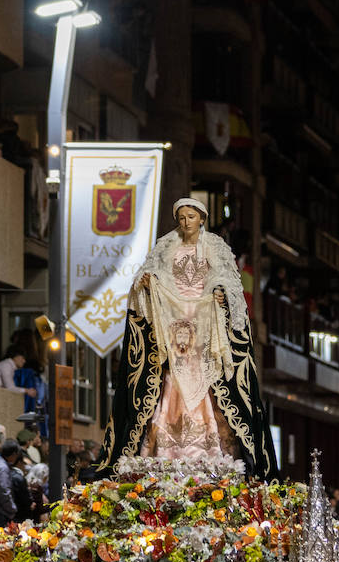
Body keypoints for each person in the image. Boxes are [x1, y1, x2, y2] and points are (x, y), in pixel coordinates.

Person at [96, 197, 276, 477]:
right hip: (173, 319)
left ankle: (212, 449)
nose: (185, 222)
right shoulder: (166, 245)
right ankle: (166, 449)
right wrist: (145, 284)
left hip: (205, 321)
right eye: (181, 217)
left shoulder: (214, 246)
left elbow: (229, 280)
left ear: (201, 218)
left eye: (190, 217)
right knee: (170, 380)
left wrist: (220, 292)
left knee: (209, 383)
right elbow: (149, 274)